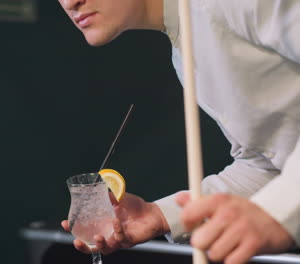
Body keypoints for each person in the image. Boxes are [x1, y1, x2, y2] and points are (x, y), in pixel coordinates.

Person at [58, 0, 300, 263]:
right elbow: (269, 167)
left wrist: (281, 210)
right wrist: (159, 215)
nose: (70, 2)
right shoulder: (183, 52)